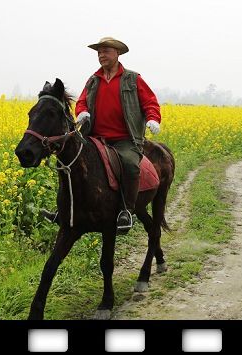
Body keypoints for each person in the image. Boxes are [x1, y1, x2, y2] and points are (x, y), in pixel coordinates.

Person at [41, 37, 161, 233]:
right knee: (69, 162)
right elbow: (81, 101)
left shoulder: (133, 79)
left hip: (124, 139)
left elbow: (150, 102)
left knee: (130, 164)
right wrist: (82, 111)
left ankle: (126, 211)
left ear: (117, 53)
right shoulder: (93, 80)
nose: (101, 55)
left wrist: (153, 118)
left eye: (106, 51)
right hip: (95, 136)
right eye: (99, 52)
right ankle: (63, 211)